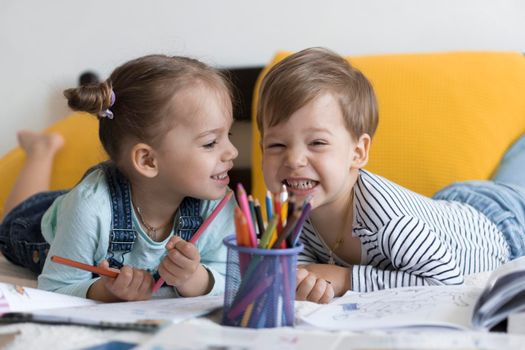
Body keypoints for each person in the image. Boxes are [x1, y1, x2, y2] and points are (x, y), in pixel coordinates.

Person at [256, 47, 525, 304]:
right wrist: (305, 281)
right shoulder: (292, 214)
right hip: (445, 210)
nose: (293, 160)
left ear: (358, 152)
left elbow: (446, 283)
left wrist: (346, 279)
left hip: (505, 226)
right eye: (276, 145)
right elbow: (299, 270)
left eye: (317, 143)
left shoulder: (388, 221)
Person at [0, 54, 238, 302]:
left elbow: (234, 277)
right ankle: (41, 151)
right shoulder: (89, 207)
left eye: (228, 134)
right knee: (13, 218)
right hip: (35, 229)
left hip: (79, 206)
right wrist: (105, 291)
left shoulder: (217, 203)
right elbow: (54, 289)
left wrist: (197, 280)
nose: (233, 151)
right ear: (148, 161)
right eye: (211, 142)